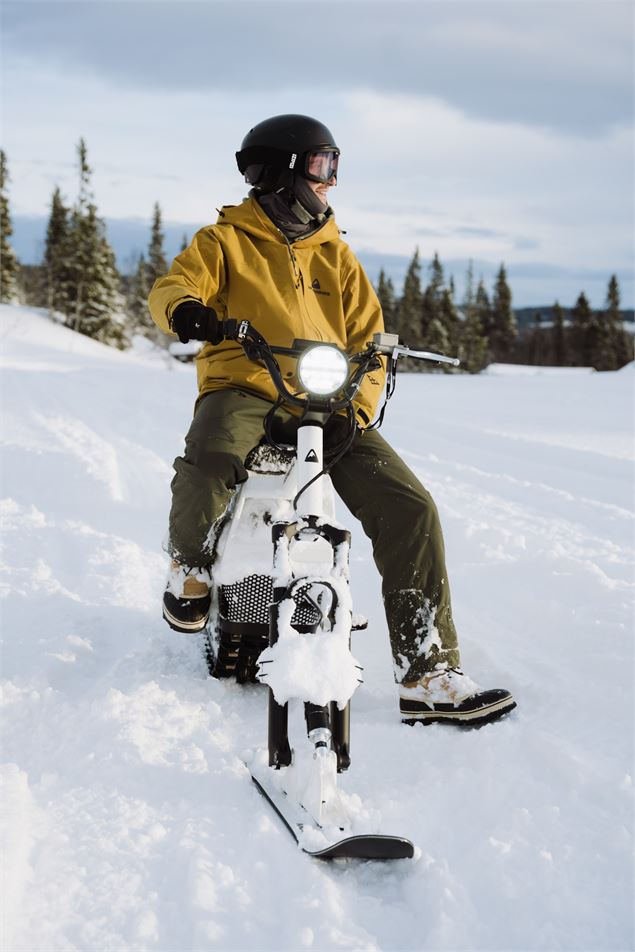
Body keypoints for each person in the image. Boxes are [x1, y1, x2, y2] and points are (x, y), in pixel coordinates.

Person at [148, 114, 516, 726]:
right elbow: (174, 285)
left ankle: (428, 673)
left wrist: (361, 403)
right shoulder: (224, 242)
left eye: (333, 166)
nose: (331, 182)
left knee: (410, 506)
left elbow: (370, 339)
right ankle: (189, 566)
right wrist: (188, 311)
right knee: (213, 459)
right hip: (245, 383)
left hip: (326, 399)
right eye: (322, 166)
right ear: (284, 170)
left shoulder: (337, 257)